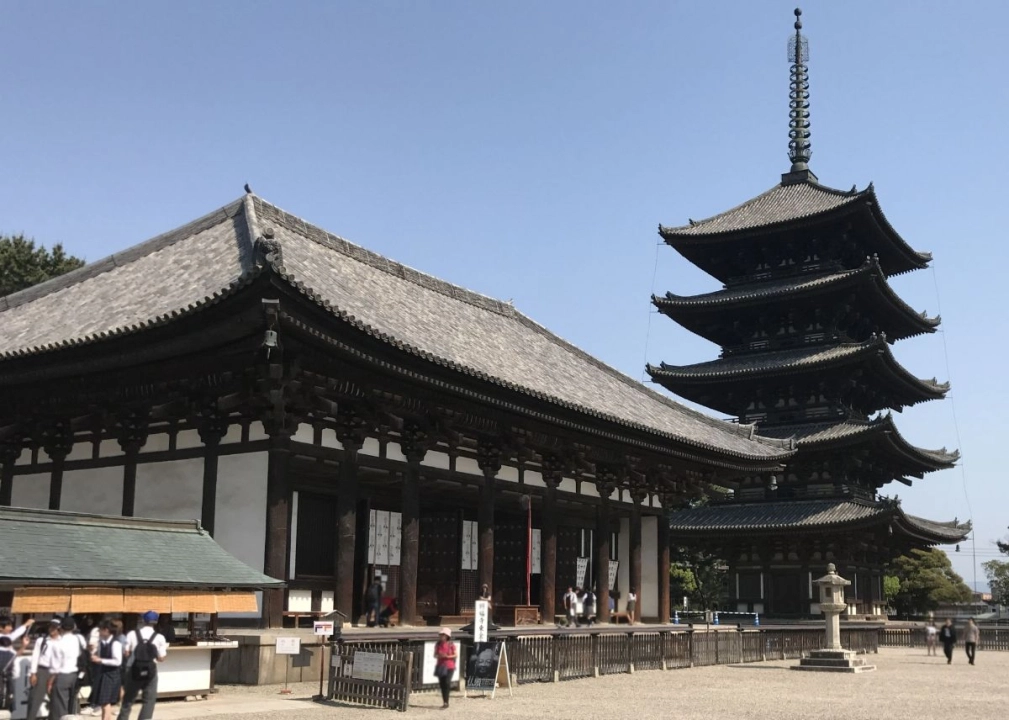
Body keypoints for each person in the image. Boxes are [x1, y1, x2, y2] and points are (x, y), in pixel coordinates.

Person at [120, 611, 168, 720]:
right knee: (149, 700)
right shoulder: (159, 637)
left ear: (143, 620)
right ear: (155, 622)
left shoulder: (132, 634)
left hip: (134, 669)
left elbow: (126, 652)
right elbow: (161, 658)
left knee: (128, 699)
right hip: (151, 671)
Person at [47, 616, 86, 720]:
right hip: (74, 675)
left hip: (61, 676)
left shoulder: (58, 643)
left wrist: (50, 682)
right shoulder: (77, 639)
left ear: (60, 627)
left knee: (59, 707)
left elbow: (56, 666)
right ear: (73, 627)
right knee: (71, 705)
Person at [26, 618, 61, 720]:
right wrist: (33, 673)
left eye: (54, 627)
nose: (51, 629)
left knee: (56, 701)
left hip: (57, 672)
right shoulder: (41, 641)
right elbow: (35, 656)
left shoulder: (63, 642)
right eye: (50, 627)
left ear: (59, 628)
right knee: (35, 699)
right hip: (42, 670)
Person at [89, 620, 123, 720]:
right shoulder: (102, 642)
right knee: (104, 701)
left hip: (111, 674)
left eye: (100, 630)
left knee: (105, 701)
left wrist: (100, 660)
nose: (99, 632)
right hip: (104, 673)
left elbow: (118, 661)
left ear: (106, 630)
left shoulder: (115, 643)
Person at [433, 628, 456, 709]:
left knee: (447, 682)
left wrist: (447, 656)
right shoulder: (438, 644)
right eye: (441, 635)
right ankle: (445, 702)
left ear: (447, 636)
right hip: (441, 666)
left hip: (450, 666)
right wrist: (439, 655)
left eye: (443, 635)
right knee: (442, 684)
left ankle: (446, 701)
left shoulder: (451, 644)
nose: (441, 636)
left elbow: (455, 654)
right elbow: (435, 655)